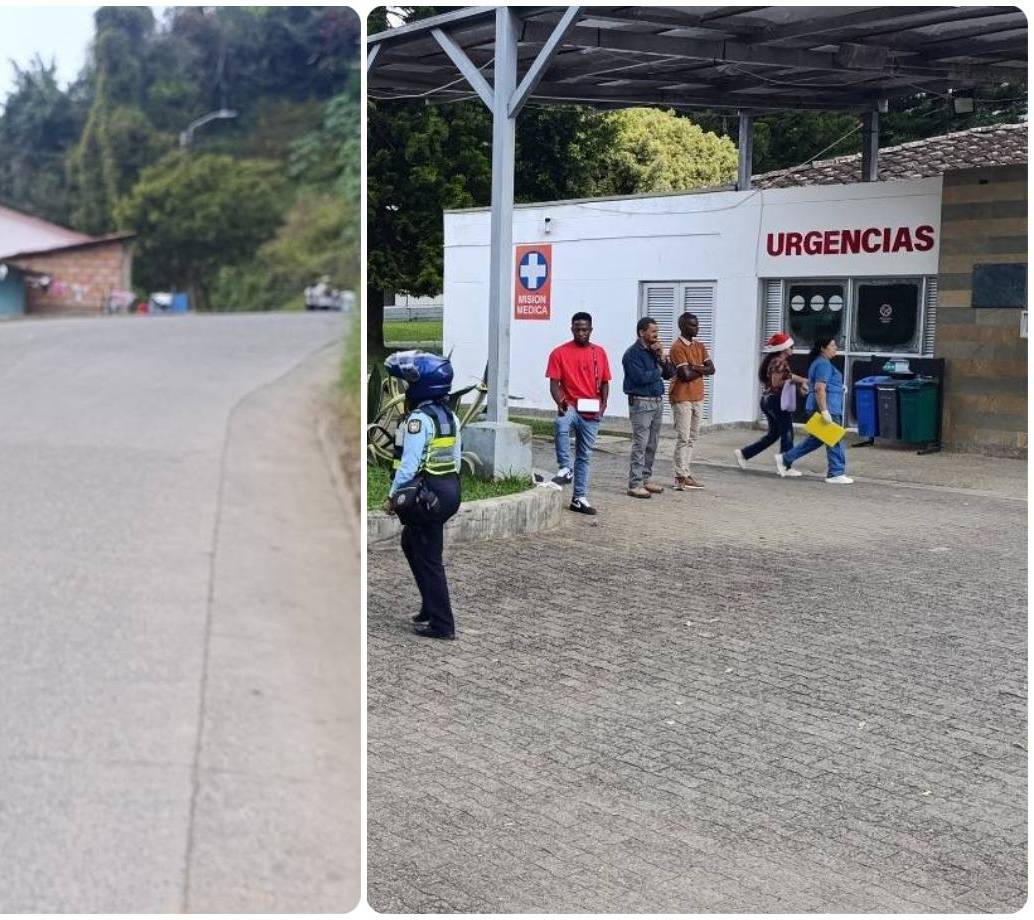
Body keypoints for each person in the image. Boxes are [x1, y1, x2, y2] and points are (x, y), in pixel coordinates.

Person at [383, 351, 463, 639]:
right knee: (411, 543)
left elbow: (409, 464)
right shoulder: (449, 416)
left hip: (428, 494)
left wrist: (393, 497)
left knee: (429, 559)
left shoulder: (418, 420)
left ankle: (442, 624)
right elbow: (456, 456)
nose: (407, 387)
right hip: (448, 489)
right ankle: (429, 608)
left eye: (411, 383)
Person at [546, 311, 612, 515]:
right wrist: (560, 401)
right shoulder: (559, 353)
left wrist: (603, 405)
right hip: (571, 405)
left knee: (584, 455)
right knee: (561, 424)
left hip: (592, 408)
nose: (581, 333)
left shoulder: (599, 352)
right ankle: (565, 468)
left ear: (591, 330)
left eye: (585, 329)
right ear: (572, 329)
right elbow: (554, 384)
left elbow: (605, 382)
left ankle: (579, 498)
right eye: (577, 329)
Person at [775, 335, 854, 484]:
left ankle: (785, 459)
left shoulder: (820, 363)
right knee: (834, 439)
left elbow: (823, 385)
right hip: (826, 407)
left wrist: (838, 387)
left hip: (821, 406)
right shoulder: (823, 364)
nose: (835, 348)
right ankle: (836, 473)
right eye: (832, 345)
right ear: (823, 348)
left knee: (816, 440)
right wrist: (825, 411)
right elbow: (819, 388)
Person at [733, 331, 808, 475]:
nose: (793, 349)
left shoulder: (775, 361)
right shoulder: (779, 362)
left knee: (774, 434)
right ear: (783, 348)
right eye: (791, 346)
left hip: (769, 400)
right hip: (776, 401)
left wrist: (799, 381)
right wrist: (797, 381)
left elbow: (784, 378)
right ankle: (785, 465)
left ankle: (744, 454)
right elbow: (776, 382)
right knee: (787, 432)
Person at [622, 316, 674, 498]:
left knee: (652, 444)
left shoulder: (654, 352)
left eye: (657, 332)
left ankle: (646, 479)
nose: (656, 335)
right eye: (653, 332)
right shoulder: (632, 354)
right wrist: (658, 370)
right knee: (641, 444)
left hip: (657, 402)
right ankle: (635, 484)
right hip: (641, 403)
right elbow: (641, 378)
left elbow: (670, 374)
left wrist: (662, 358)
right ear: (641, 332)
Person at [668, 312, 715, 490]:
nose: (697, 328)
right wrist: (701, 369)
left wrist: (694, 367)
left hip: (697, 396)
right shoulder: (677, 347)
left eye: (697, 324)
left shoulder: (700, 346)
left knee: (693, 437)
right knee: (683, 437)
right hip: (681, 397)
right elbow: (684, 375)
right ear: (682, 326)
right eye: (693, 325)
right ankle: (680, 477)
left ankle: (686, 473)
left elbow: (712, 369)